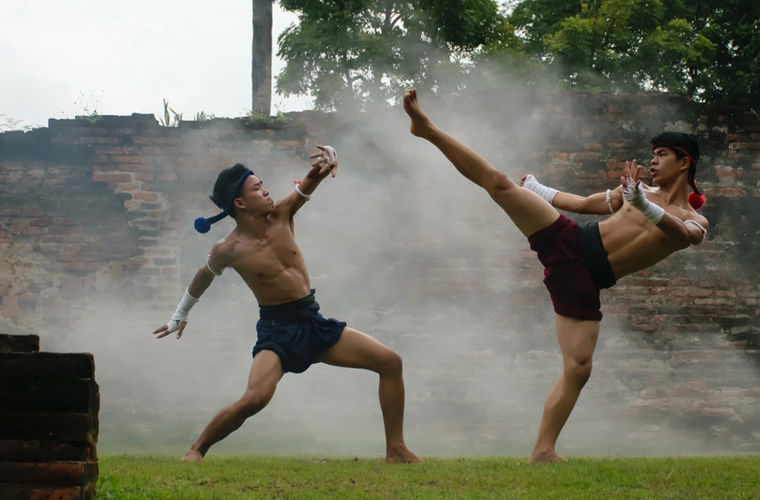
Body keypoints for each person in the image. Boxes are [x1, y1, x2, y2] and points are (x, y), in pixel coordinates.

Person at [402, 89, 708, 463]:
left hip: (586, 282)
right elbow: (581, 204)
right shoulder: (635, 190)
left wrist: (642, 205)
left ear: (684, 163)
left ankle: (543, 450)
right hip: (571, 243)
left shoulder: (692, 218)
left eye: (662, 155)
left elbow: (686, 236)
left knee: (579, 369)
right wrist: (537, 189)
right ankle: (428, 129)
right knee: (499, 183)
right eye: (653, 154)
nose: (653, 161)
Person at [152, 145, 421, 464]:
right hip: (277, 332)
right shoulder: (229, 248)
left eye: (263, 184)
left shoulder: (282, 215)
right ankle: (196, 449)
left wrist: (329, 159)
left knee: (390, 362)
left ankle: (396, 449)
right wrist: (179, 314)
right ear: (239, 202)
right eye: (257, 188)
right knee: (255, 399)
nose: (266, 191)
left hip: (313, 321)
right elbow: (203, 276)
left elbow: (310, 180)